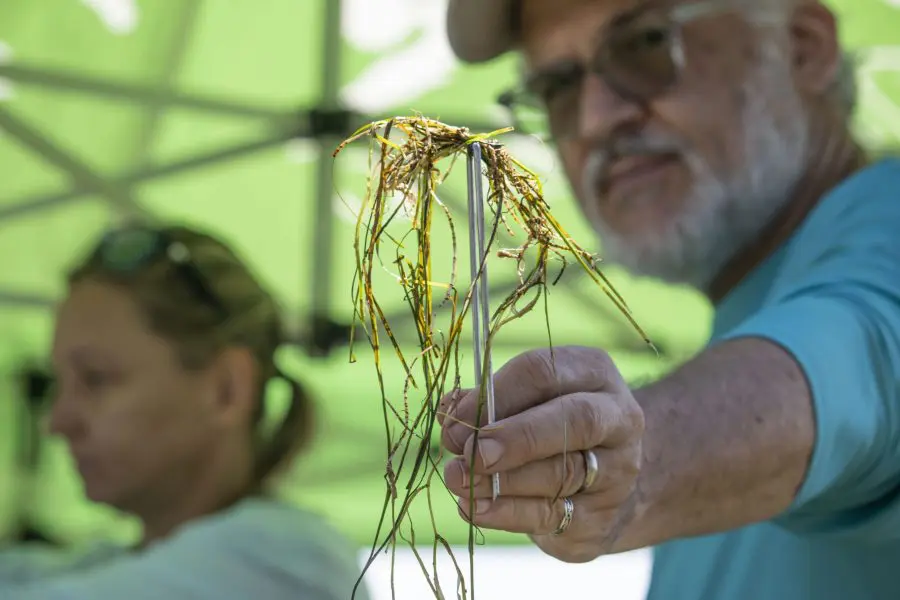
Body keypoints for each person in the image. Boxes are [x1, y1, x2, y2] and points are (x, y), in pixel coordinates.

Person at [439, 0, 900, 598]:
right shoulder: (747, 322)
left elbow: (854, 360)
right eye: (558, 87)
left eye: (645, 46)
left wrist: (637, 455)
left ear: (802, 47)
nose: (599, 117)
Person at [0, 224, 369, 600]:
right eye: (57, 384)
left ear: (227, 389)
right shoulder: (106, 564)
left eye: (95, 379)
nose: (57, 422)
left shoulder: (283, 563)